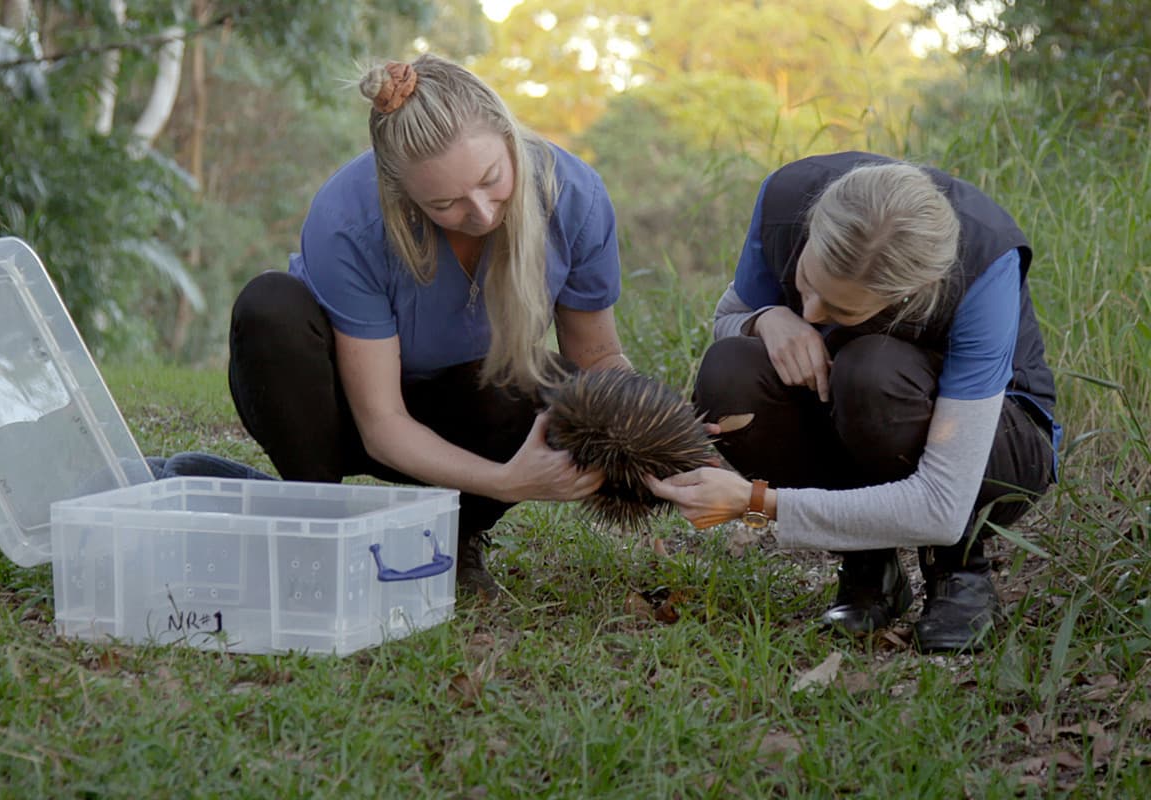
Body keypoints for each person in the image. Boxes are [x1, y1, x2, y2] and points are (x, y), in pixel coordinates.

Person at [227, 55, 631, 600]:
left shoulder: (573, 198)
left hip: (461, 411)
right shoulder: (348, 220)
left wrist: (658, 435)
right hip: (339, 414)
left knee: (559, 387)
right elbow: (382, 423)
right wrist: (509, 481)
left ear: (508, 133)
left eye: (492, 180)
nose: (484, 213)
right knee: (267, 305)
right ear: (402, 193)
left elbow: (596, 358)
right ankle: (317, 521)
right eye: (445, 204)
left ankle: (457, 534)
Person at [645, 151, 1061, 653]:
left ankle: (959, 572)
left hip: (998, 448)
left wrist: (756, 504)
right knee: (730, 371)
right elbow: (731, 313)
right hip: (855, 410)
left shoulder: (983, 266)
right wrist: (768, 318)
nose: (813, 312)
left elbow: (943, 504)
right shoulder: (785, 196)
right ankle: (869, 565)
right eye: (807, 282)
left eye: (840, 307)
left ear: (909, 294)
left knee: (872, 373)